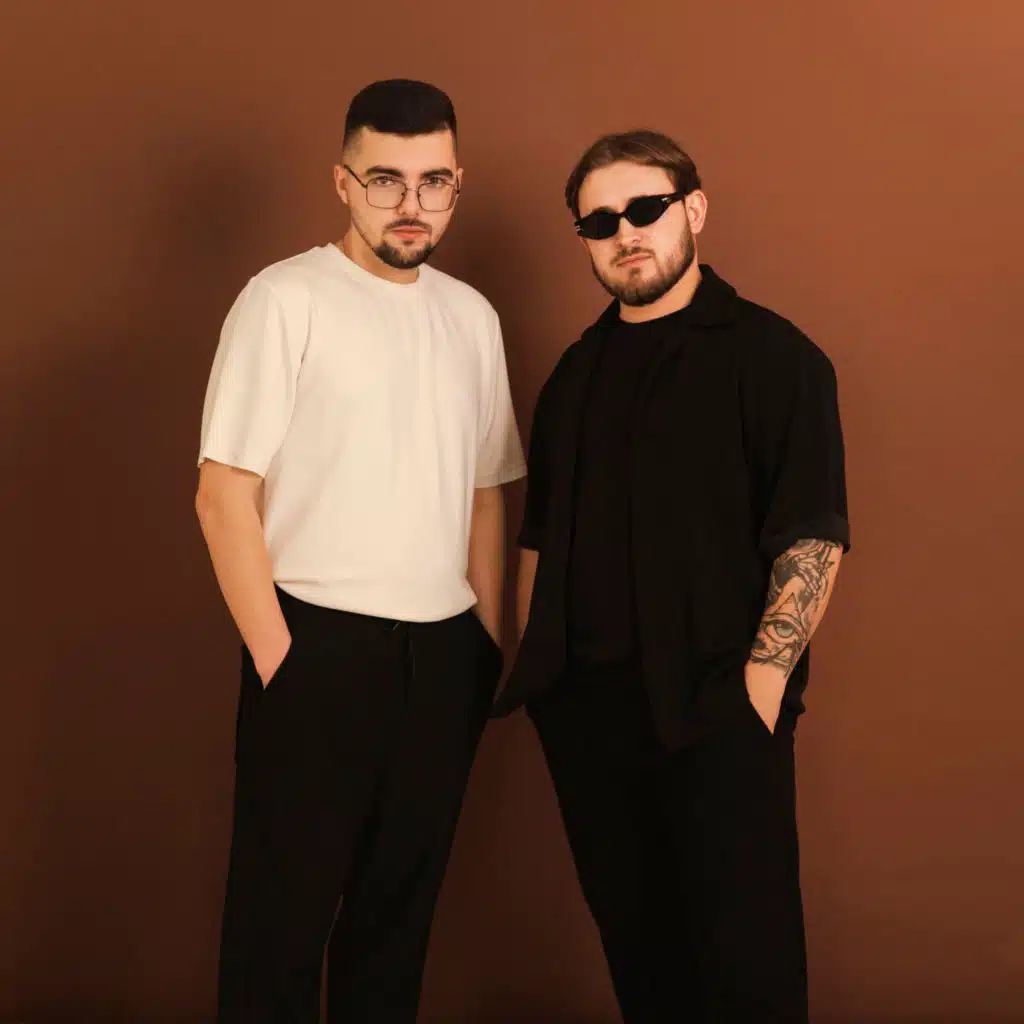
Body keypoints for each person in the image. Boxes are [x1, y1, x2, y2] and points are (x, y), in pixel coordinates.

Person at [494, 129, 850, 1022]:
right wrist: (544, 685)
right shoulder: (574, 376)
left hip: (720, 712)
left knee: (750, 977)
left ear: (693, 209)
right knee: (644, 973)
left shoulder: (777, 359)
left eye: (645, 209)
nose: (625, 233)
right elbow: (539, 541)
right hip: (590, 722)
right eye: (600, 221)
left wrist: (760, 688)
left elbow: (812, 537)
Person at [195, 78, 525, 1022]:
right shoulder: (284, 299)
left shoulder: (472, 317)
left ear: (457, 185)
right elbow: (223, 495)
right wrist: (281, 660)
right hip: (315, 644)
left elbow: (487, 491)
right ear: (343, 182)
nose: (410, 204)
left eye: (432, 182)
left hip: (443, 655)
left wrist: (485, 640)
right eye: (385, 180)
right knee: (279, 929)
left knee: (396, 924)